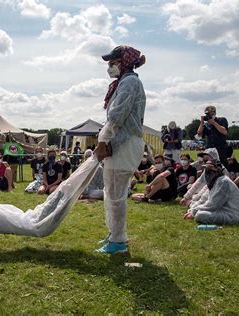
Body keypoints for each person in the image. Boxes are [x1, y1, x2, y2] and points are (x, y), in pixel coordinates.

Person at [94, 45, 146, 254]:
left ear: (123, 62)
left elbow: (116, 117)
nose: (110, 67)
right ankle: (114, 234)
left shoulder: (130, 82)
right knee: (112, 192)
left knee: (116, 195)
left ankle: (118, 241)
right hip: (119, 142)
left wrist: (103, 140)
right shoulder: (122, 83)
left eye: (113, 62)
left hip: (123, 144)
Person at [183, 159, 239, 225]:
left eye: (210, 168)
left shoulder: (224, 182)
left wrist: (193, 212)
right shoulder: (214, 181)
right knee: (195, 207)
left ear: (218, 169)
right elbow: (204, 199)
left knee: (200, 215)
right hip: (220, 210)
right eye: (206, 169)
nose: (207, 171)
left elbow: (213, 205)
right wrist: (192, 209)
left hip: (231, 215)